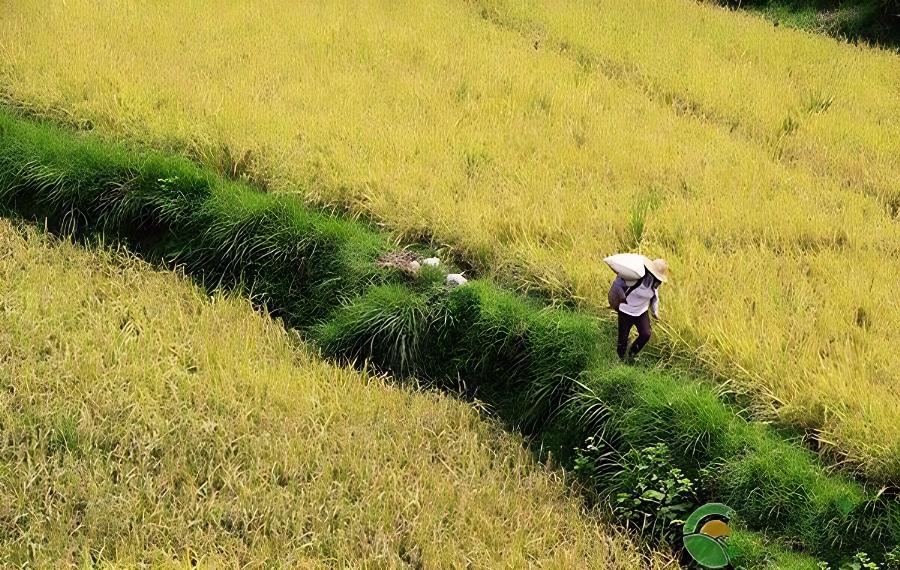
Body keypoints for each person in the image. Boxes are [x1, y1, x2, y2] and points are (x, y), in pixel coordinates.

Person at [609, 258, 669, 361]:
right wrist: (613, 300)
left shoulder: (655, 283)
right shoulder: (635, 276)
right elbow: (618, 285)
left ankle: (631, 355)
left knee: (646, 334)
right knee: (622, 341)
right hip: (625, 311)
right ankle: (621, 360)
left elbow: (655, 298)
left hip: (641, 312)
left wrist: (655, 312)